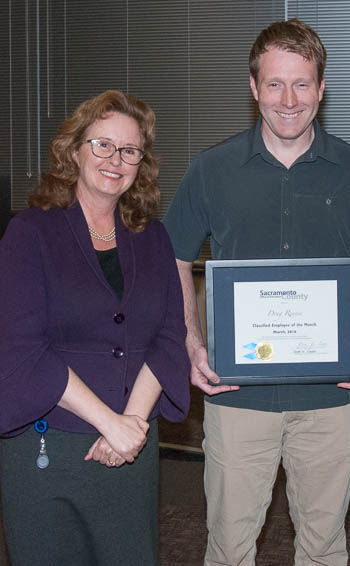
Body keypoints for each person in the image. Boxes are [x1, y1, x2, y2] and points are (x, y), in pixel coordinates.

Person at [164, 18, 350, 566]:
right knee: (229, 547)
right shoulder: (212, 169)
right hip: (237, 397)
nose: (288, 99)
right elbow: (172, 257)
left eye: (301, 84)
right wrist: (191, 343)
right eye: (274, 84)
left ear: (321, 87)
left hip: (331, 398)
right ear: (254, 88)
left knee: (323, 547)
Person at [0, 90, 190, 566]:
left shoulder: (154, 237)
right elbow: (24, 348)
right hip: (51, 452)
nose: (115, 160)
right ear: (74, 150)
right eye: (102, 145)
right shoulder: (30, 233)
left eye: (129, 150)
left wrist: (132, 424)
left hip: (131, 450)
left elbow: (169, 337)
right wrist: (110, 423)